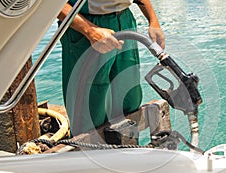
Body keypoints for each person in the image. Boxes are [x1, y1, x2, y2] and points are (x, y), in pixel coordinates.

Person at [57, 0, 165, 133]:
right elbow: (51, 5)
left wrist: (153, 20)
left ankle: (126, 149)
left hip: (125, 21)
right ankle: (87, 151)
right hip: (86, 26)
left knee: (129, 100)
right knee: (89, 110)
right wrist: (90, 31)